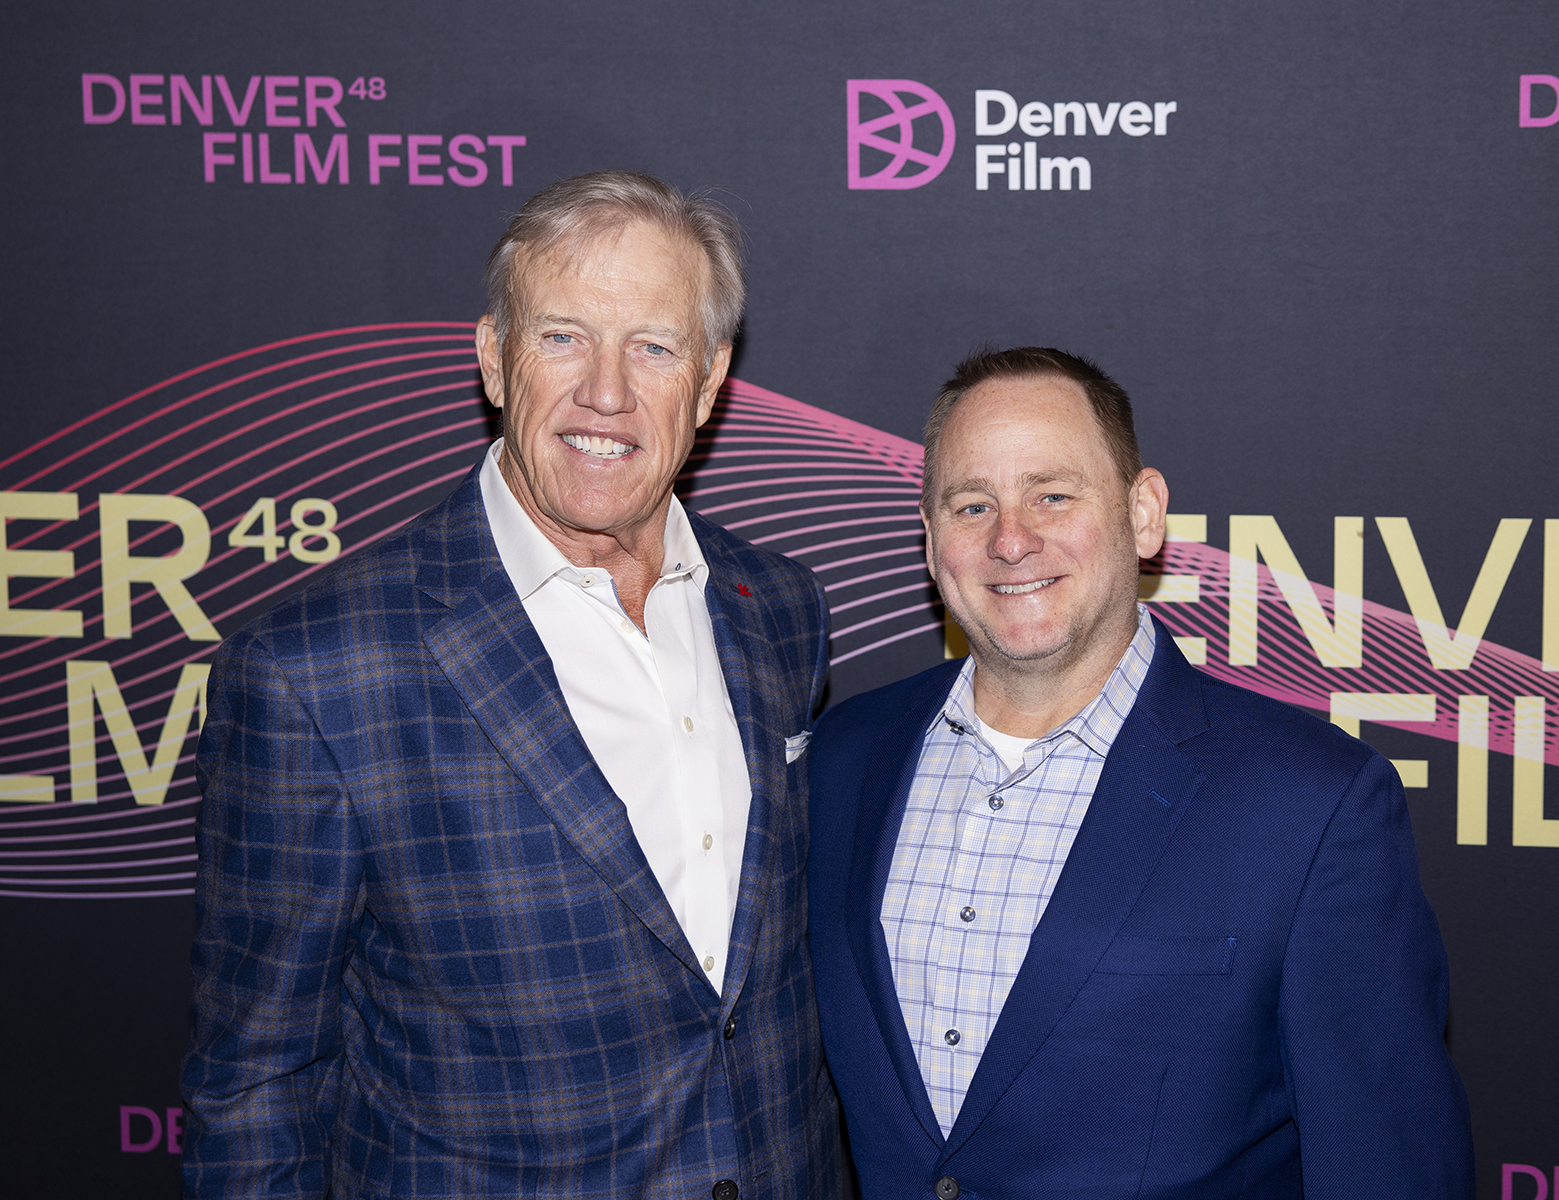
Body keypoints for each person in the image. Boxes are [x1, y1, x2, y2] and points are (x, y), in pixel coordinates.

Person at [182, 172, 845, 1199]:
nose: (607, 393)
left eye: (654, 348)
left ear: (710, 381)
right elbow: (257, 1081)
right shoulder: (316, 672)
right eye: (563, 337)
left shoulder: (779, 612)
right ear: (493, 356)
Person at [808, 347, 1474, 1199]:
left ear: (1143, 513)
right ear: (932, 538)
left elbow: (1391, 1170)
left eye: (1053, 494)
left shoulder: (1312, 809)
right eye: (972, 504)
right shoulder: (842, 760)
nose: (1012, 539)